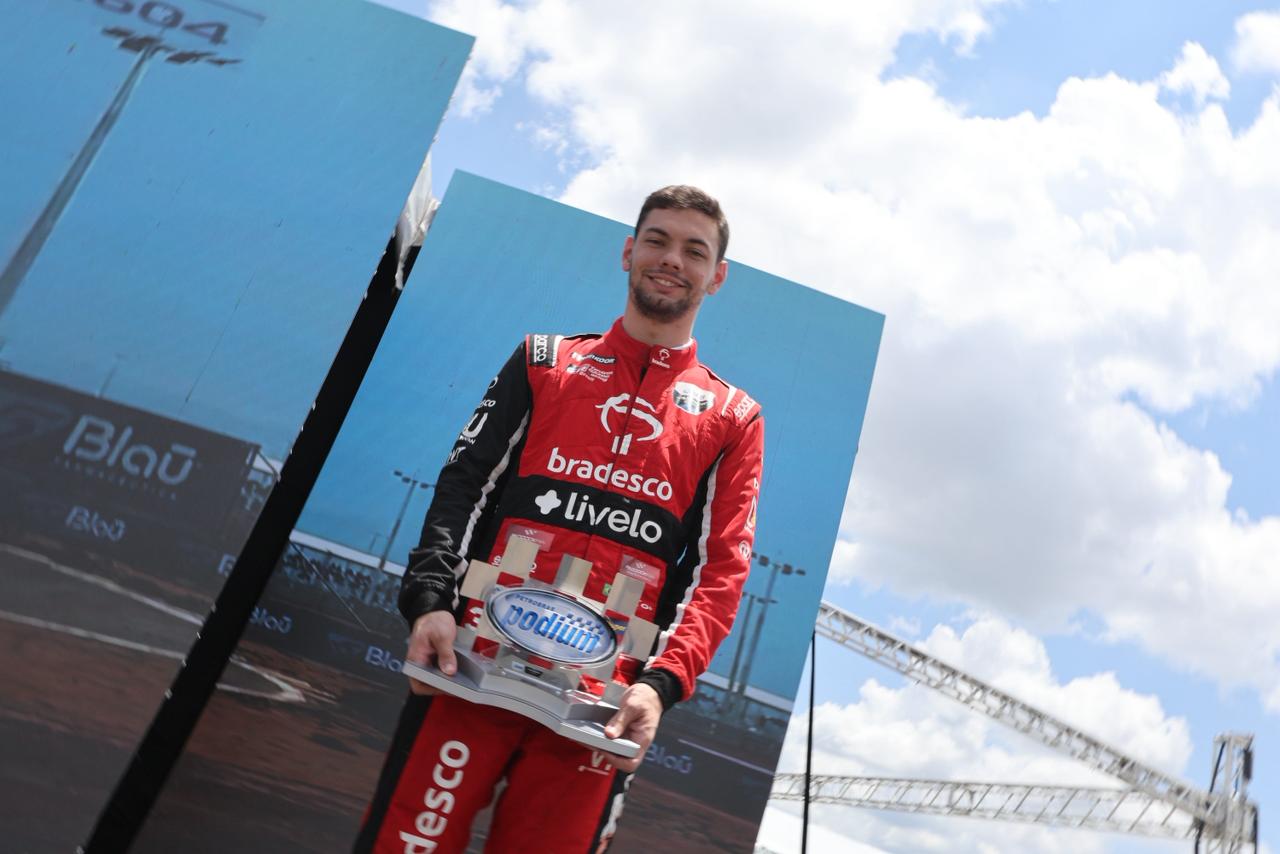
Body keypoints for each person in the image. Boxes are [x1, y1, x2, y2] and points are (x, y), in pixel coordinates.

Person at [355, 185, 764, 853]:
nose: (672, 259)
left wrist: (659, 687)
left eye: (695, 250)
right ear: (628, 251)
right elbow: (463, 488)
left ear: (716, 277)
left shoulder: (733, 417)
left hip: (599, 709)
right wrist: (430, 602)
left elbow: (722, 572)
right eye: (657, 240)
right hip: (472, 666)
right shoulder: (544, 361)